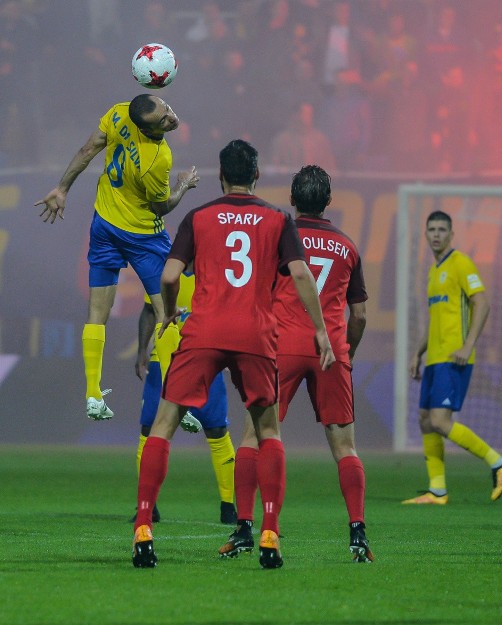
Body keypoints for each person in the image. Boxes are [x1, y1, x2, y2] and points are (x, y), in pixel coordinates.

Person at [131, 139, 334, 569]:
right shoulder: (278, 218)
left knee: (164, 424)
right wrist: (320, 330)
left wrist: (167, 314)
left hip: (204, 328)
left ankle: (144, 526)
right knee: (268, 431)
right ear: (256, 175)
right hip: (255, 333)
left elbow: (169, 274)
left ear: (221, 176)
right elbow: (300, 273)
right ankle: (269, 533)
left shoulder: (199, 217)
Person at [218, 164, 373, 563]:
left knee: (256, 436)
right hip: (330, 349)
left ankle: (246, 528)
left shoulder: (276, 236)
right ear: (328, 201)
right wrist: (347, 351)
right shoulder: (347, 246)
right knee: (345, 446)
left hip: (281, 346)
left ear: (291, 198)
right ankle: (358, 533)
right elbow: (360, 316)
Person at [35, 94, 199, 420]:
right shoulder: (158, 158)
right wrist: (182, 186)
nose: (170, 118)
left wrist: (62, 188)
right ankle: (174, 400)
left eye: (166, 109)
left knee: (97, 314)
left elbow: (87, 150)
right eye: (162, 122)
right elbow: (161, 206)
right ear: (149, 130)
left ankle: (93, 395)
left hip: (105, 225)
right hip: (143, 236)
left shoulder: (119, 113)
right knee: (170, 312)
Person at [404, 210, 502, 505]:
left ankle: (498, 462)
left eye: (442, 229)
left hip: (454, 357)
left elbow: (482, 303)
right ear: (426, 234)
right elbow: (434, 319)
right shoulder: (433, 271)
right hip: (434, 358)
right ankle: (437, 490)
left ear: (452, 235)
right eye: (432, 229)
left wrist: (467, 346)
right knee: (425, 420)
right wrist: (418, 352)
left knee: (440, 421)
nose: (437, 234)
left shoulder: (460, 263)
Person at [131, 273, 237, 525]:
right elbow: (149, 311)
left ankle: (228, 506)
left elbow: (228, 312)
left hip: (205, 357)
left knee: (217, 429)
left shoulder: (213, 269)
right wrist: (141, 351)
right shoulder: (164, 270)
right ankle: (148, 505)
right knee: (149, 429)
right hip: (163, 361)